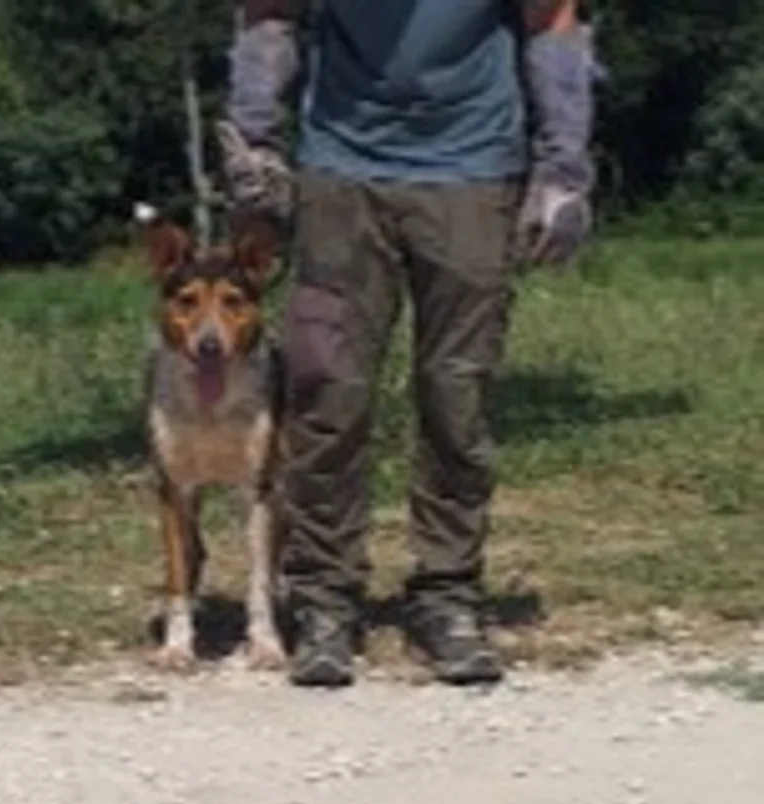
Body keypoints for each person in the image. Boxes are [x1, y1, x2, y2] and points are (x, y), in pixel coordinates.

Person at [216, 0, 601, 687]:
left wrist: (564, 167)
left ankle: (448, 595)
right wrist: (257, 143)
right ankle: (325, 600)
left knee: (457, 393)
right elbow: (268, 17)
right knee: (327, 391)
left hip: (473, 174)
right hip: (341, 176)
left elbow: (555, 22)